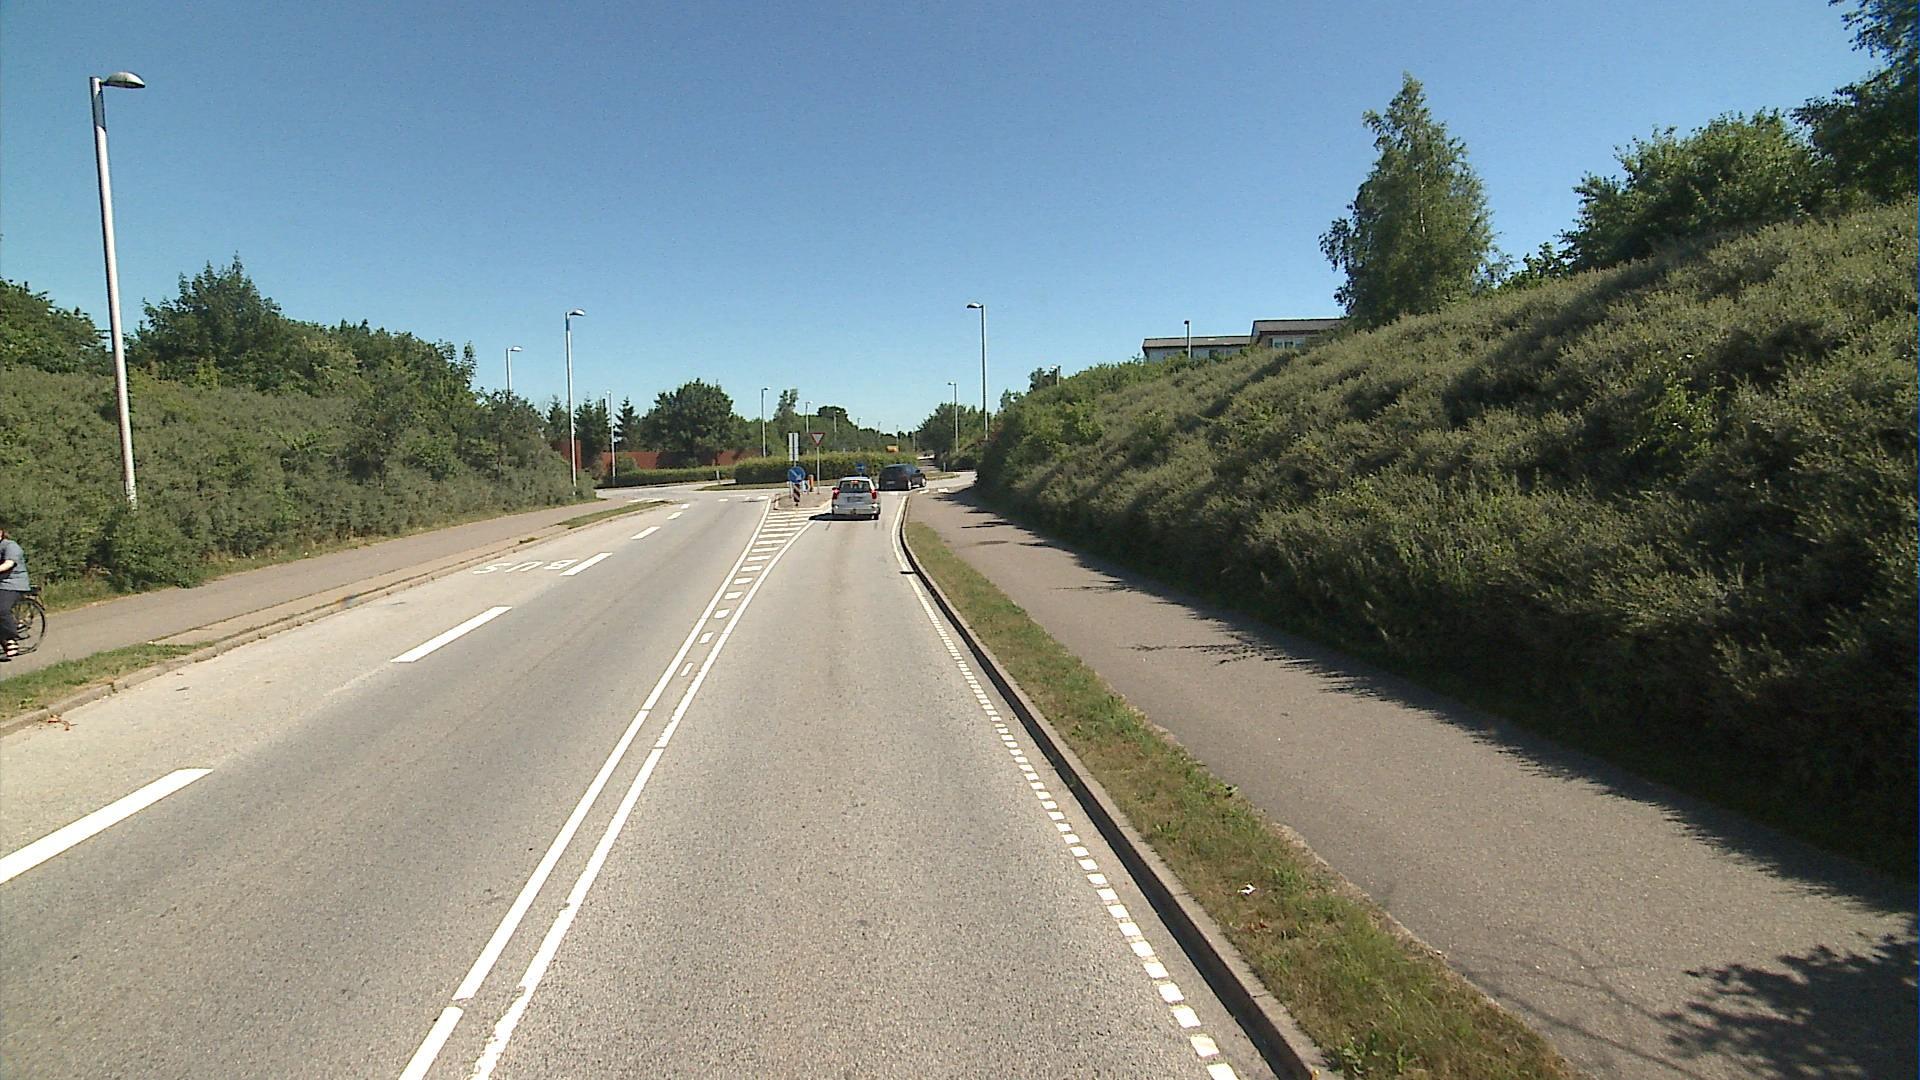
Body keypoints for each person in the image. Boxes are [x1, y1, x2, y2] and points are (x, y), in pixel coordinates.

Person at [0, 525, 28, 662]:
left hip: (12, 583)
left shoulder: (10, 546)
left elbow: (9, 563)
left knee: (2, 609)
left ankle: (11, 640)